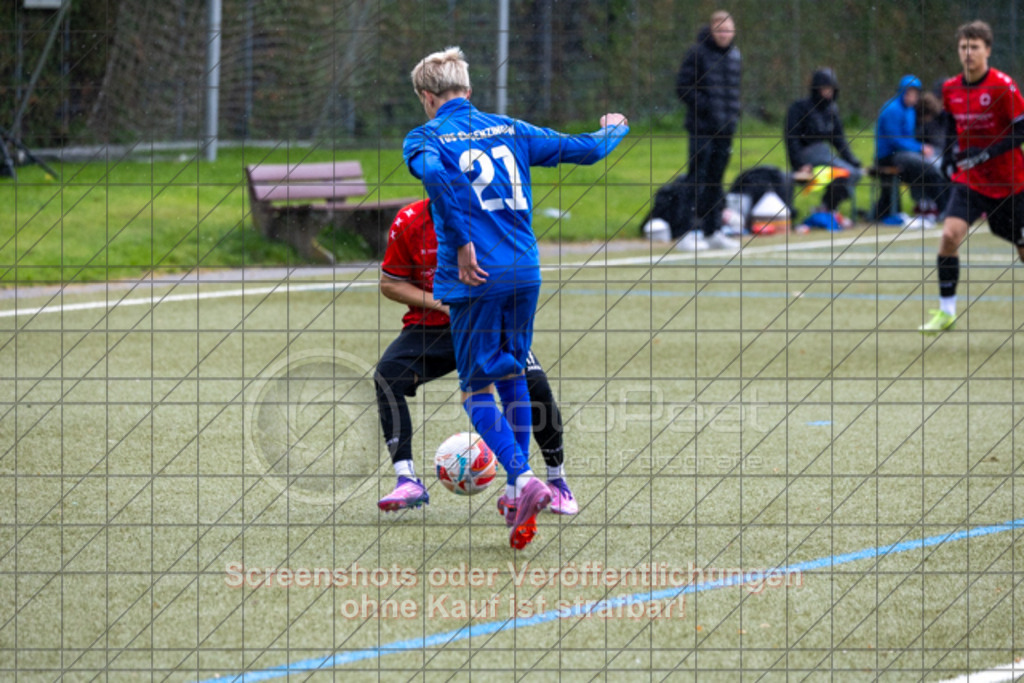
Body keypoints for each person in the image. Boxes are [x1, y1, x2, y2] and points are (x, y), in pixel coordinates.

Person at [403, 47, 628, 548]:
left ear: (426, 96)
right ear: (468, 89)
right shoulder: (510, 128)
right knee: (512, 372)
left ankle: (524, 479)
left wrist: (461, 240)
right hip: (526, 270)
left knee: (474, 390)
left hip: (474, 276)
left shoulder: (425, 136)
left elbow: (437, 177)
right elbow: (586, 150)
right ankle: (513, 488)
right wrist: (615, 127)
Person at [374, 198, 577, 519]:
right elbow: (389, 283)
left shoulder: (491, 217)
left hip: (488, 323)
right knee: (387, 376)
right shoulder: (409, 220)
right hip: (434, 327)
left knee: (534, 382)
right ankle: (407, 480)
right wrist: (442, 303)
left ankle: (556, 482)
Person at [920, 20, 1024, 333]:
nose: (968, 53)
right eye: (964, 47)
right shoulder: (951, 89)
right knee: (950, 236)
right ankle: (946, 312)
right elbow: (952, 129)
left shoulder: (1002, 86)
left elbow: (1020, 131)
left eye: (975, 47)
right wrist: (950, 159)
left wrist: (985, 153)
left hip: (1010, 183)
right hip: (971, 182)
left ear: (988, 51)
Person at [673, 9, 742, 252]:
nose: (724, 34)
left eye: (728, 30)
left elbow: (732, 92)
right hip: (702, 128)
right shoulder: (697, 53)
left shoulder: (735, 55)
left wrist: (733, 114)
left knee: (716, 180)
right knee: (697, 179)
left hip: (726, 130)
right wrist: (707, 108)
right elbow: (683, 87)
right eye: (720, 30)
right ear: (712, 30)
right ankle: (687, 231)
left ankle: (713, 231)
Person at [785, 68, 863, 227]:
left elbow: (839, 140)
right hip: (808, 156)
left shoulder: (832, 110)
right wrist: (799, 164)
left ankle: (826, 207)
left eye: (831, 89)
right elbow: (791, 139)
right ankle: (825, 209)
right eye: (825, 89)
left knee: (852, 174)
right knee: (845, 171)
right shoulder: (799, 108)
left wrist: (852, 160)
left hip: (825, 156)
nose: (828, 93)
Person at [874, 75, 949, 225]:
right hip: (890, 155)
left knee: (935, 166)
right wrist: (920, 148)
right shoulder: (892, 110)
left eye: (915, 94)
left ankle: (941, 208)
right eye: (910, 93)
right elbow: (895, 140)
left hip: (905, 153)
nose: (913, 97)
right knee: (931, 168)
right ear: (902, 92)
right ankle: (944, 209)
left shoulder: (910, 110)